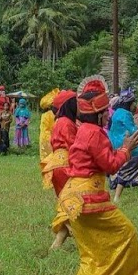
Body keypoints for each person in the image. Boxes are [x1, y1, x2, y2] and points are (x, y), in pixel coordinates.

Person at [60, 76, 138, 275]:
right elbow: (111, 165)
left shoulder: (84, 130)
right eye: (105, 112)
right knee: (126, 232)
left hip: (72, 196)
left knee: (93, 247)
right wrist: (127, 148)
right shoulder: (95, 133)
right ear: (97, 114)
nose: (109, 115)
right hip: (88, 197)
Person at [44, 90, 77, 251]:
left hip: (56, 165)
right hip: (65, 166)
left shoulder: (60, 122)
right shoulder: (67, 123)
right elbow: (73, 146)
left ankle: (55, 246)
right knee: (74, 203)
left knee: (67, 204)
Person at [107, 89, 138, 195]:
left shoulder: (117, 112)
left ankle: (134, 177)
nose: (135, 105)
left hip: (114, 143)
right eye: (133, 102)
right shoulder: (126, 114)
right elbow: (133, 131)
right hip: (125, 143)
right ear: (129, 103)